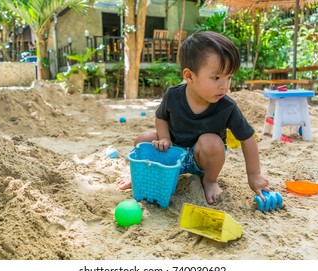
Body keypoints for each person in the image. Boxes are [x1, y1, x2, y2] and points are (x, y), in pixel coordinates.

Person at [116, 31, 270, 205]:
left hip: (202, 160)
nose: (225, 86)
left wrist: (254, 174)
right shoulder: (173, 96)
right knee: (143, 139)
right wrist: (165, 138)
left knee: (211, 141)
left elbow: (247, 138)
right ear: (189, 76)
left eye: (229, 77)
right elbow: (161, 118)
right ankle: (142, 178)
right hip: (172, 153)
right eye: (216, 77)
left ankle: (210, 182)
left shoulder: (227, 107)